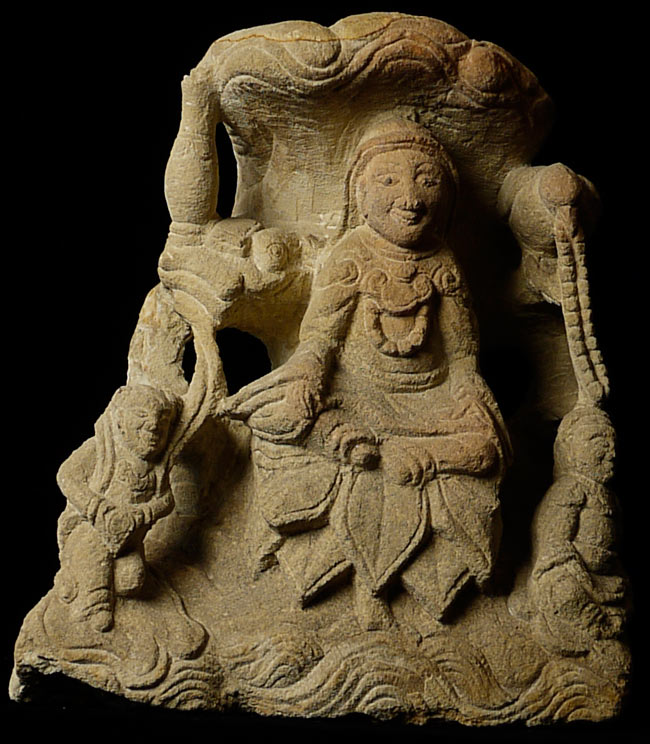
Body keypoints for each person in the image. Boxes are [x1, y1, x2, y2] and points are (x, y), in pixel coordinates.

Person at [222, 119, 510, 628]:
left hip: (430, 403)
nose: (411, 198)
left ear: (446, 196)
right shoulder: (351, 257)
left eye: (427, 181)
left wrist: (469, 394)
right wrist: (308, 378)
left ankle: (419, 477)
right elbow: (320, 340)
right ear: (360, 192)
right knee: (281, 425)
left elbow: (463, 355)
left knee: (487, 449)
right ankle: (350, 548)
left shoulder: (442, 264)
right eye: (389, 181)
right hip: (357, 394)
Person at [54, 384, 180, 632]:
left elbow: (167, 499)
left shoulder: (158, 466)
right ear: (120, 420)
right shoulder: (103, 450)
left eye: (162, 420)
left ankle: (74, 579)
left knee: (130, 580)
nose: (153, 426)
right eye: (141, 416)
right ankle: (93, 605)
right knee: (93, 548)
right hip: (89, 529)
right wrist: (97, 508)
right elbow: (66, 475)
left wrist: (142, 514)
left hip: (128, 540)